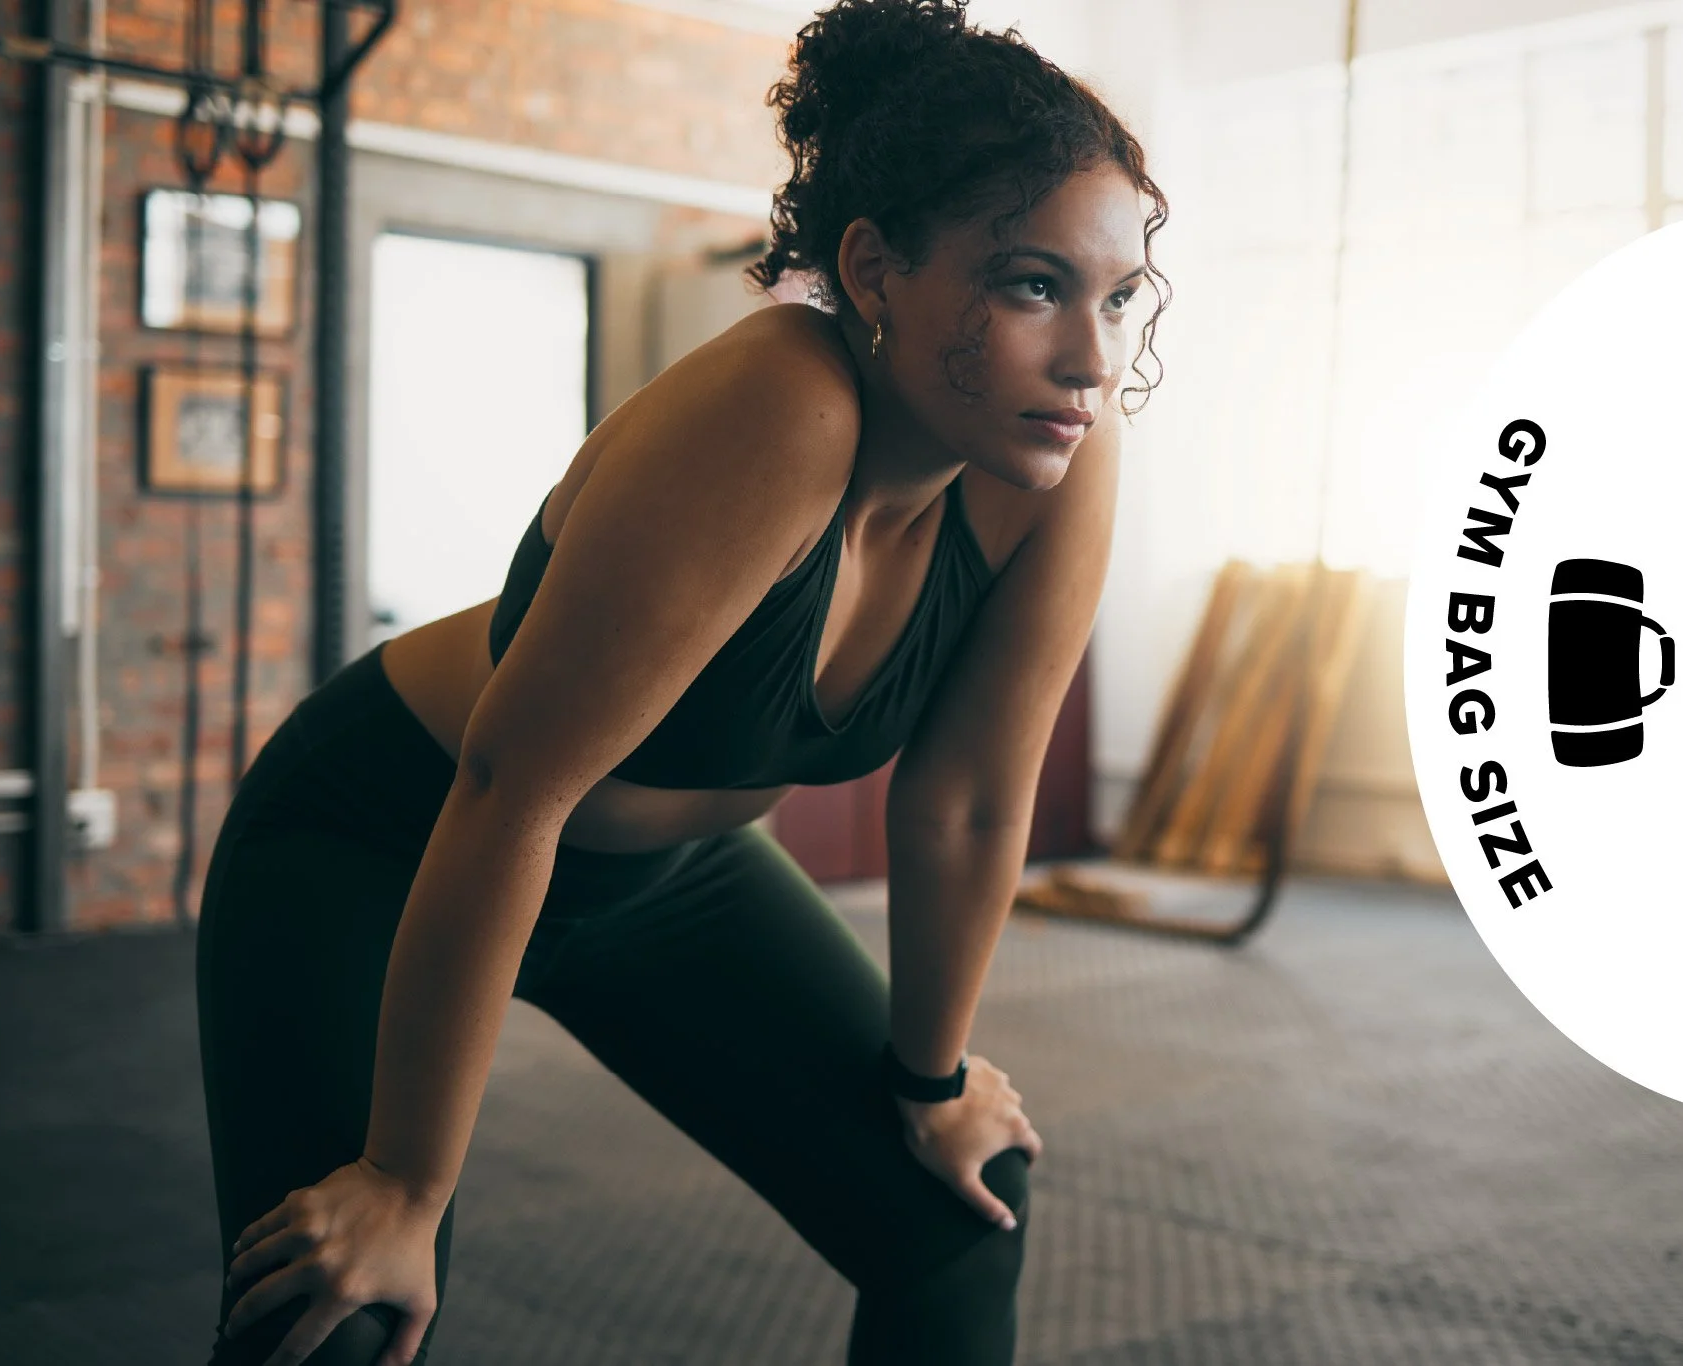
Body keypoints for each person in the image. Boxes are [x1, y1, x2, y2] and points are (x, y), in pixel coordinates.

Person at [196, 1, 1170, 1362]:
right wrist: (410, 1184)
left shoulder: (1063, 453)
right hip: (388, 832)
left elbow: (963, 801)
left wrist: (929, 1079)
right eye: (1030, 284)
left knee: (960, 1203)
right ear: (876, 270)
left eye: (1117, 295)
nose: (1091, 354)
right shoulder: (780, 408)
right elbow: (508, 780)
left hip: (670, 879)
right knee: (344, 1307)